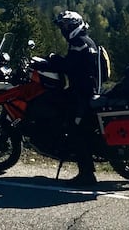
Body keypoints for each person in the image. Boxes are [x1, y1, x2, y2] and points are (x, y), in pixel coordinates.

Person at [47, 10, 100, 186]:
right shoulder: (87, 40)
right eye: (62, 26)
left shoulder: (78, 43)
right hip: (87, 89)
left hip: (82, 92)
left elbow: (69, 66)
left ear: (74, 26)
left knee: (76, 129)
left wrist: (54, 59)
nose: (63, 29)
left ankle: (86, 174)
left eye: (65, 26)